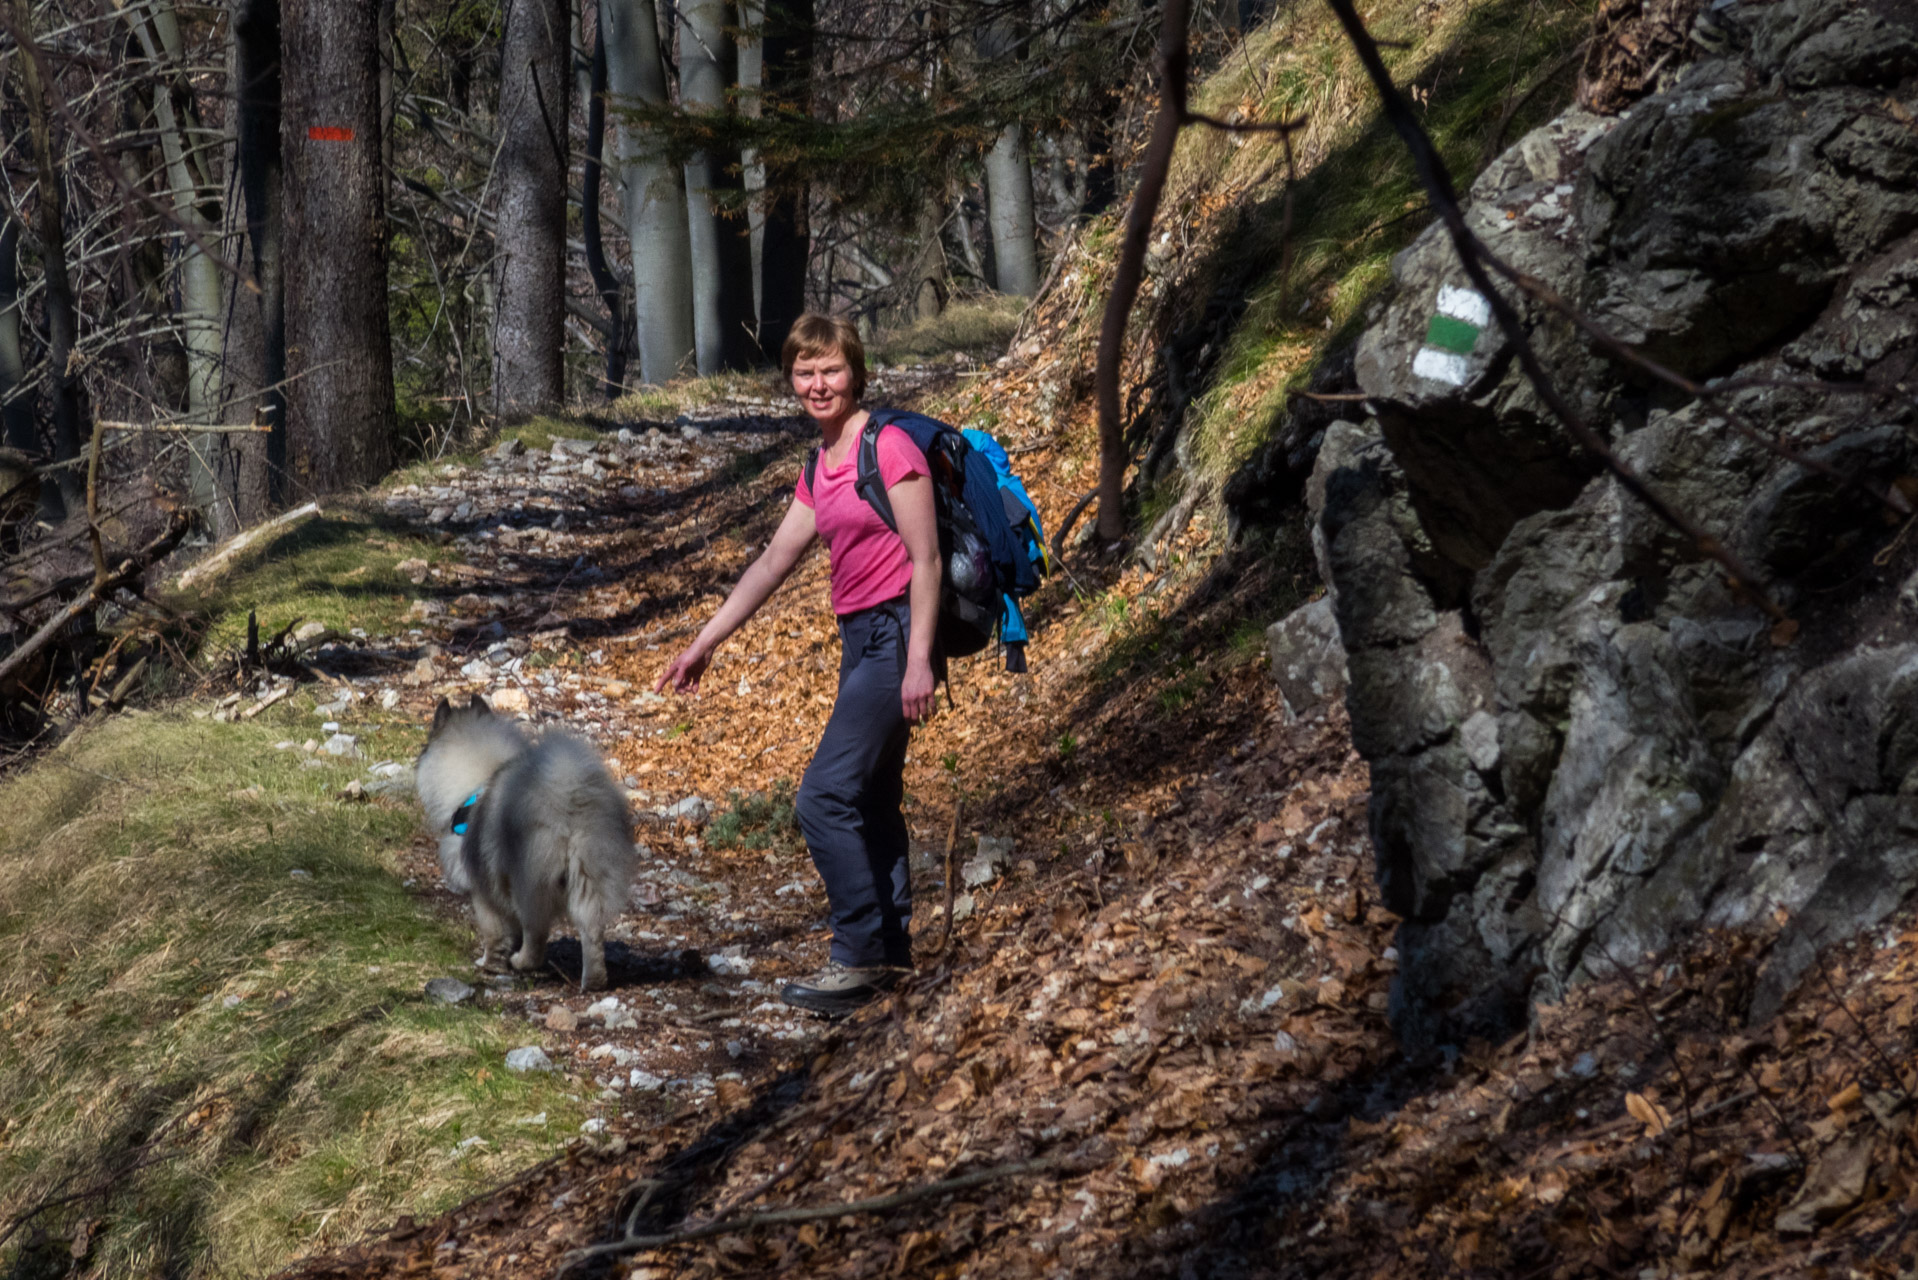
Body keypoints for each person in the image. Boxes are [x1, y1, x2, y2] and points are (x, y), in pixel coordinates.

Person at [655, 314, 940, 1016]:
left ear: (856, 372)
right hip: (859, 638)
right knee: (870, 796)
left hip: (897, 634)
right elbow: (774, 562)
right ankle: (891, 952)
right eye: (805, 372)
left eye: (831, 370)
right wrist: (705, 642)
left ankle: (858, 955)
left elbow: (927, 561)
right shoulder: (824, 461)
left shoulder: (891, 447)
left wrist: (920, 661)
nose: (818, 384)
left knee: (823, 796)